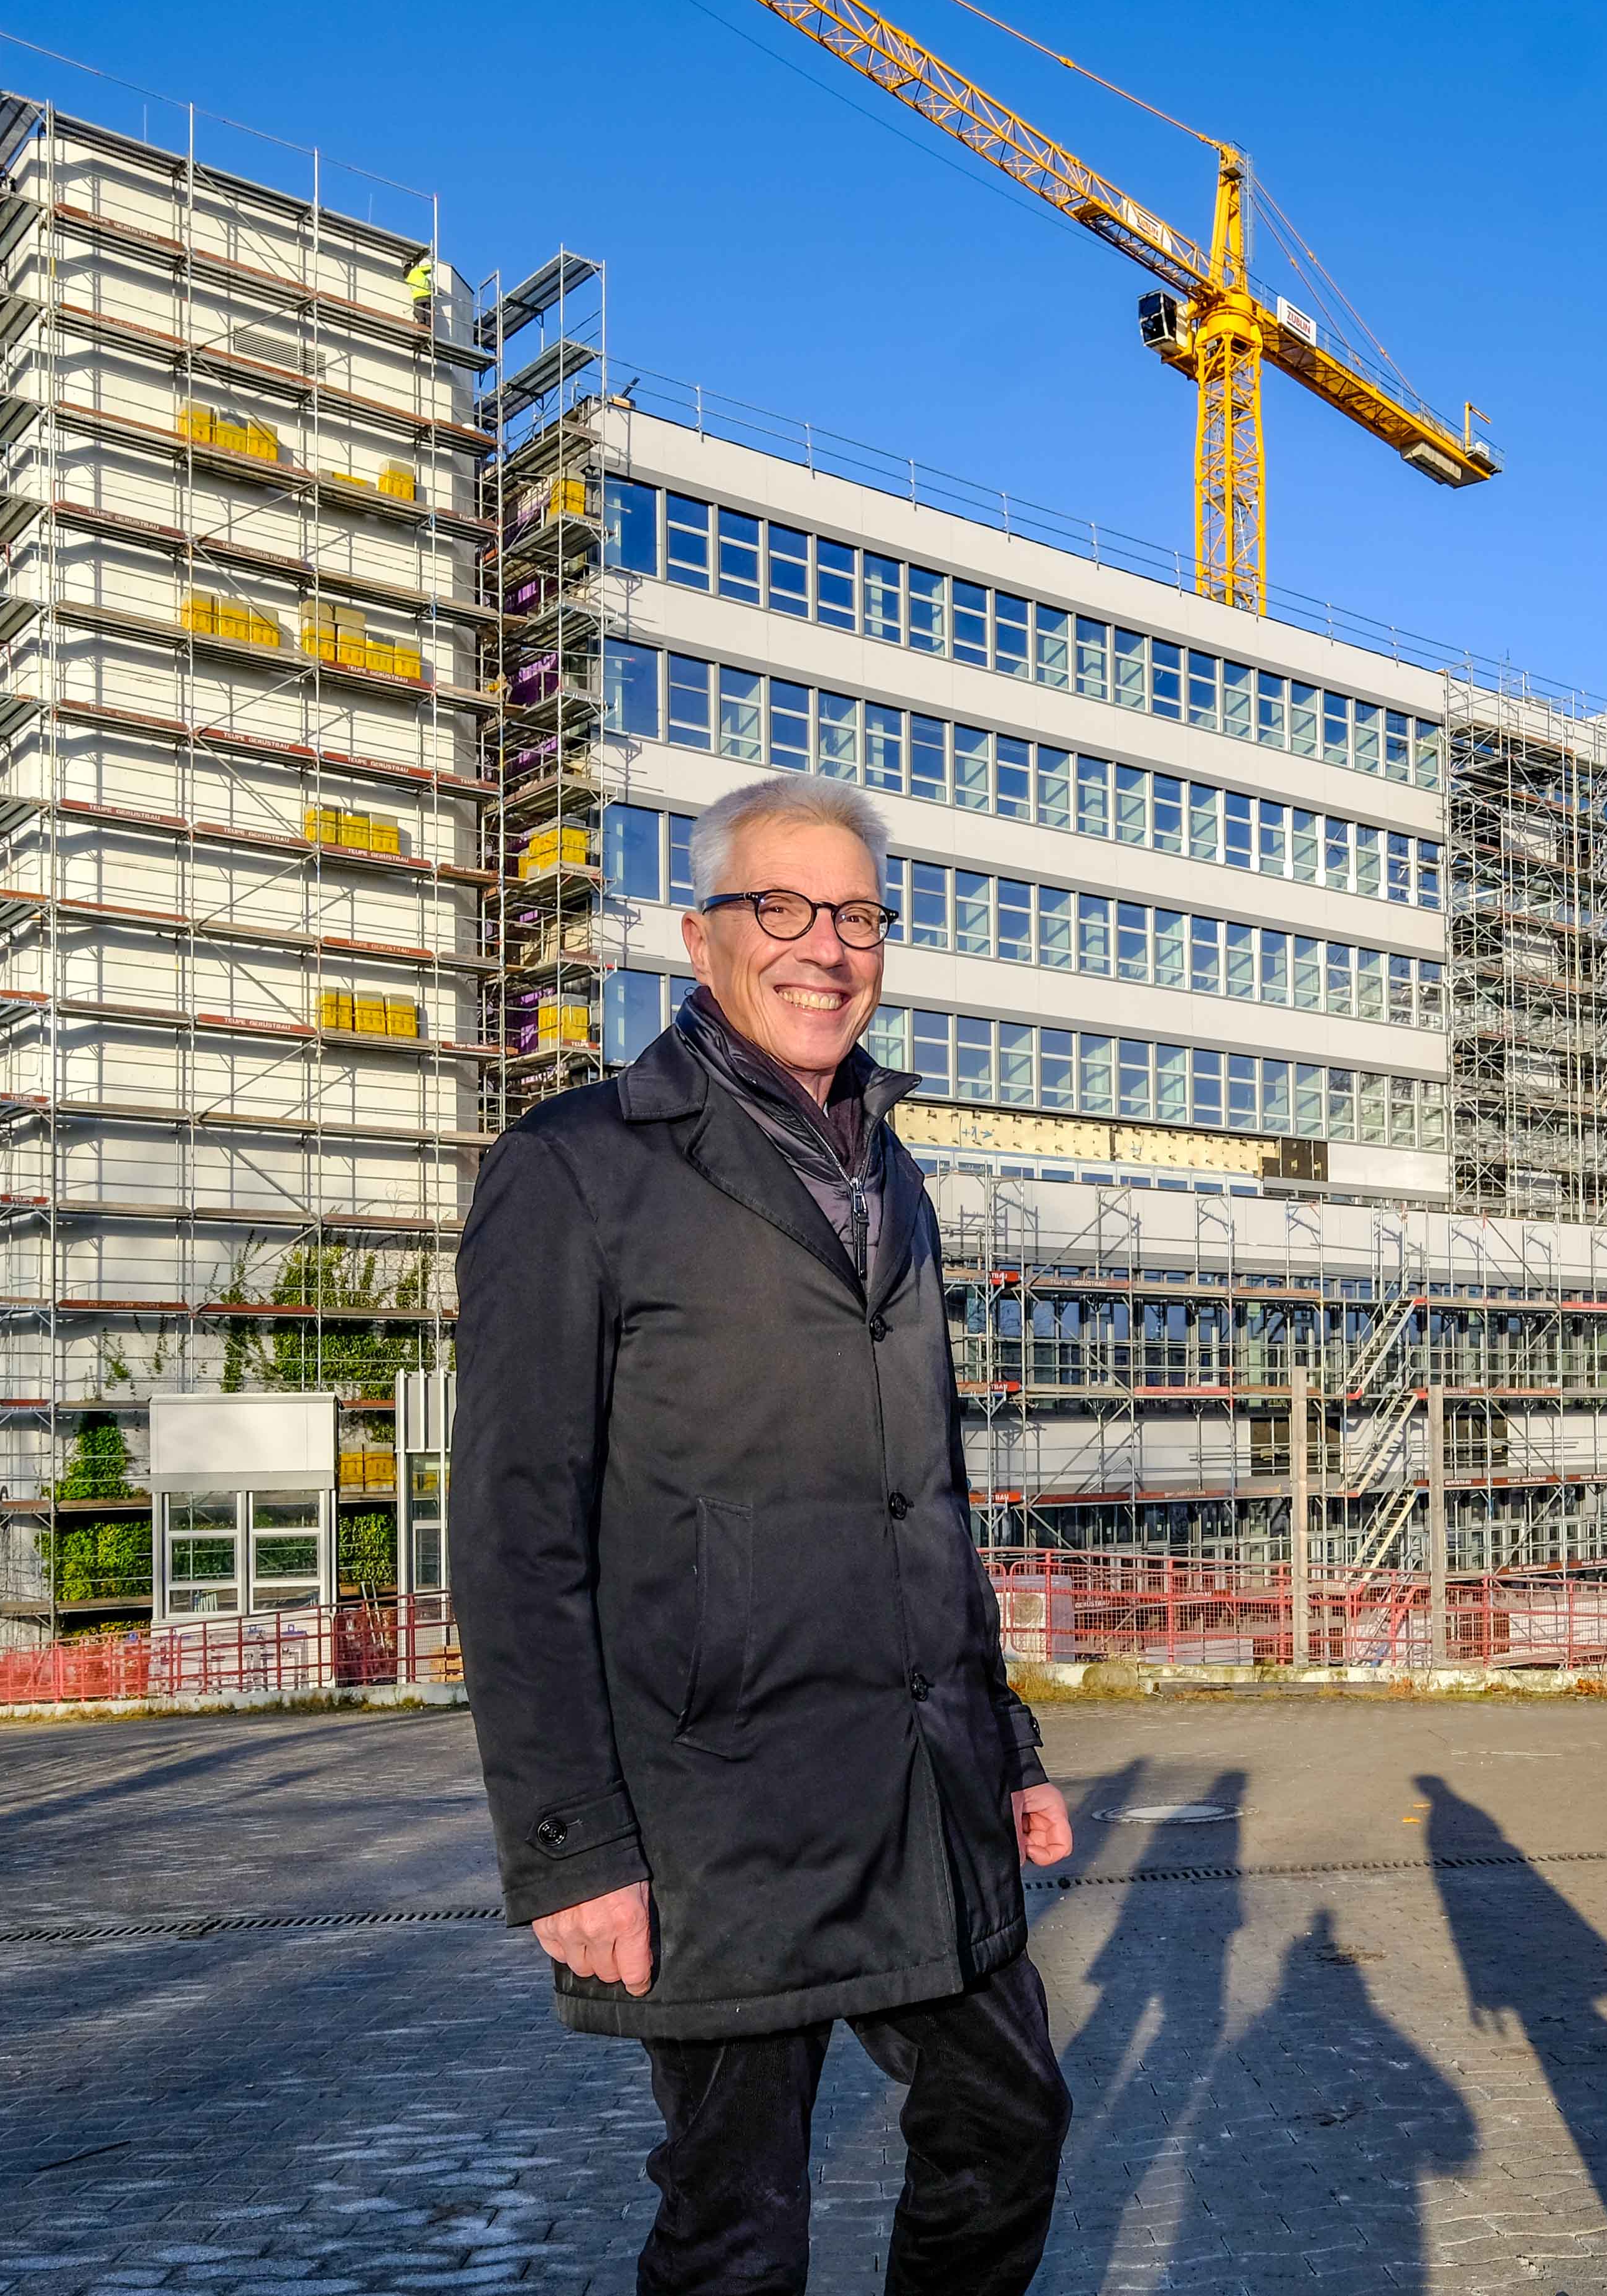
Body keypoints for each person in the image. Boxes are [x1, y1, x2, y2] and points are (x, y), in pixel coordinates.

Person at [455, 773, 1075, 2296]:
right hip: (712, 1807)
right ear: (700, 937)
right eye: (780, 908)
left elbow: (923, 1491)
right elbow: (512, 1539)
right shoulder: (576, 1168)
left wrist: (1006, 1744)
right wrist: (570, 1850)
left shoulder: (895, 1173)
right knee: (740, 2228)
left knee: (1010, 2123)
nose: (826, 945)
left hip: (918, 1785)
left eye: (858, 913)